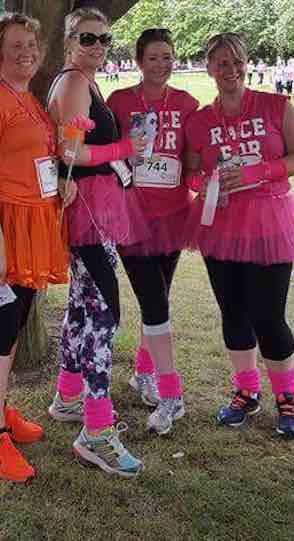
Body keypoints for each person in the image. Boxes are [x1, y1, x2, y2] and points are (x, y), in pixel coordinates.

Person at [184, 32, 294, 438]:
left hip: (270, 223)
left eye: (237, 61)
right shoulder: (200, 121)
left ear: (247, 63)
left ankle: (287, 399)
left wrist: (258, 172)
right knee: (233, 312)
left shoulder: (277, 106)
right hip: (220, 226)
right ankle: (246, 391)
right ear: (209, 69)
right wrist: (202, 183)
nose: (231, 70)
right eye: (222, 63)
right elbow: (189, 172)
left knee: (269, 316)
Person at [0, 12, 71, 483]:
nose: (26, 51)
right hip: (6, 226)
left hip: (37, 221)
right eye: (15, 46)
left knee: (14, 321)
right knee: (2, 325)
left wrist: (60, 189)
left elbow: (36, 161)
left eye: (32, 44)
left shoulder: (29, 101)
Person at [46, 7, 146, 477]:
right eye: (88, 38)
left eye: (105, 39)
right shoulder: (71, 83)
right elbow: (70, 152)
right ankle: (96, 431)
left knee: (84, 306)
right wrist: (125, 149)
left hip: (94, 210)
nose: (99, 46)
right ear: (69, 41)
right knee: (105, 312)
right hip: (86, 211)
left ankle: (68, 396)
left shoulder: (85, 82)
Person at [107, 28, 199, 434]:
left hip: (174, 215)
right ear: (139, 61)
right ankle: (171, 394)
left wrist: (209, 180)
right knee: (155, 301)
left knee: (158, 296)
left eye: (168, 56)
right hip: (132, 216)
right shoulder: (120, 101)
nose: (161, 64)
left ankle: (143, 372)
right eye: (153, 57)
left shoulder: (187, 103)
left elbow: (192, 160)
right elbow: (107, 154)